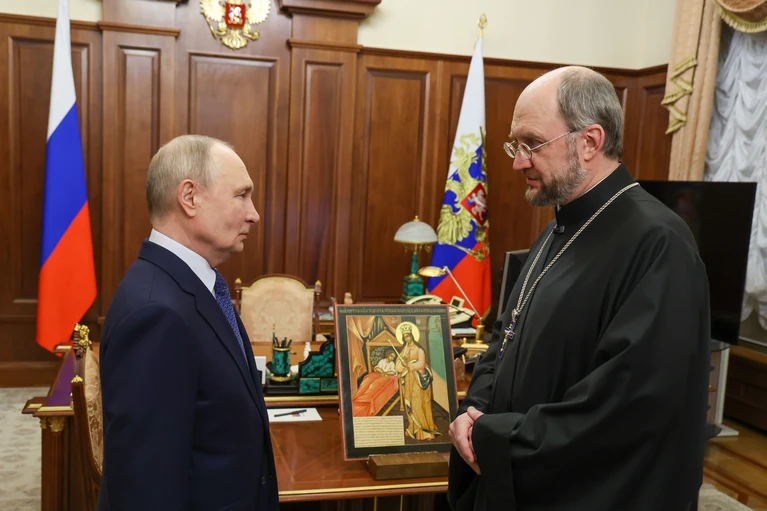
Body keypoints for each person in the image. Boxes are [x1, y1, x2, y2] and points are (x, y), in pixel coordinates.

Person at [447, 66, 710, 511]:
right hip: (510, 471)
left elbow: (626, 408)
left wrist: (497, 438)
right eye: (516, 145)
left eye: (532, 144)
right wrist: (472, 416)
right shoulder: (558, 229)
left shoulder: (659, 244)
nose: (518, 162)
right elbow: (503, 339)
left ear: (589, 142)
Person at [98, 135, 278, 510]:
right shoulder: (156, 313)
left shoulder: (191, 285)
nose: (254, 214)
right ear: (190, 197)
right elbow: (146, 488)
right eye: (241, 195)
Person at [396, 323, 440, 440]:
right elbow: (398, 367)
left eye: (408, 336)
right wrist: (403, 363)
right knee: (410, 404)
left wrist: (410, 365)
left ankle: (426, 432)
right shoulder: (404, 351)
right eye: (404, 337)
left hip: (418, 380)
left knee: (418, 403)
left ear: (412, 336)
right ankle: (413, 429)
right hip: (408, 381)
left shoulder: (419, 350)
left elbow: (421, 364)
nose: (406, 339)